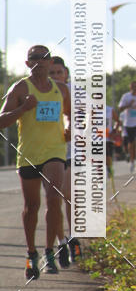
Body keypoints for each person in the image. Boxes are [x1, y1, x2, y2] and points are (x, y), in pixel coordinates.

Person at [0, 45, 71, 278]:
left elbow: (72, 114)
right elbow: (2, 121)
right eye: (35, 58)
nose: (40, 61)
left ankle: (50, 251)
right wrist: (23, 108)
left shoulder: (61, 89)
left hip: (55, 151)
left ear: (51, 63)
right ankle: (32, 253)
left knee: (54, 198)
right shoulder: (20, 88)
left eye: (45, 58)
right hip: (29, 154)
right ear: (28, 63)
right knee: (32, 208)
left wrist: (69, 128)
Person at [48, 57, 81, 264]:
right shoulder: (43, 92)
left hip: (71, 152)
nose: (56, 76)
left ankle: (73, 236)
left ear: (66, 74)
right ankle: (61, 241)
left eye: (59, 72)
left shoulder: (75, 92)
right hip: (50, 152)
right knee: (54, 200)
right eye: (52, 73)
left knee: (69, 194)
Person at [118, 81, 136, 171]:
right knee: (131, 143)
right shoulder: (126, 96)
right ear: (130, 88)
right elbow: (120, 108)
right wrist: (129, 105)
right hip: (129, 123)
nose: (135, 88)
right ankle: (132, 161)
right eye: (133, 86)